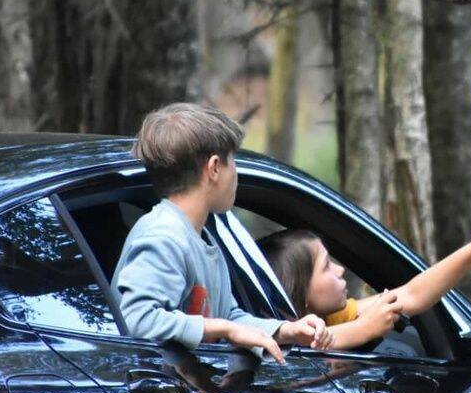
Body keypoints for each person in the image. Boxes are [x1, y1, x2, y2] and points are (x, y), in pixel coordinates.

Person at [112, 102, 333, 362]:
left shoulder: (201, 237)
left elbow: (228, 315)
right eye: (233, 163)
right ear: (215, 167)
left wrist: (285, 330)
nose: (235, 174)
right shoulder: (163, 236)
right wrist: (227, 329)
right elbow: (139, 320)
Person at [261, 199, 471, 350]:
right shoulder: (282, 347)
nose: (341, 269)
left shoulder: (332, 319)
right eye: (326, 266)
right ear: (300, 291)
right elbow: (309, 345)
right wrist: (365, 328)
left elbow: (411, 295)